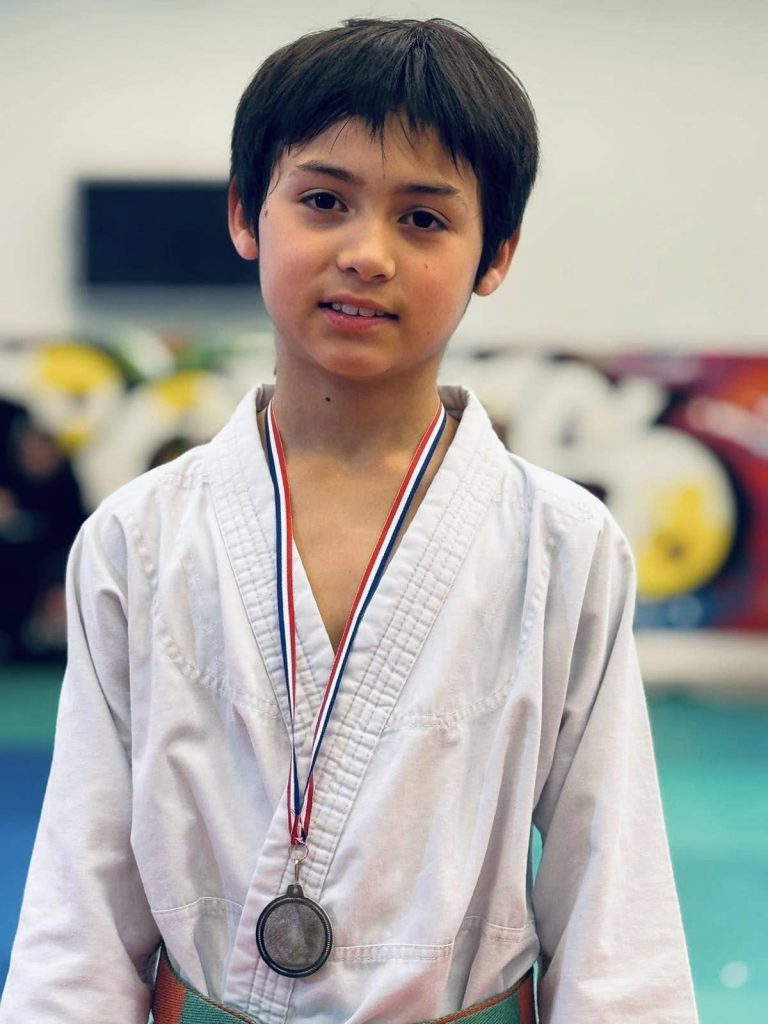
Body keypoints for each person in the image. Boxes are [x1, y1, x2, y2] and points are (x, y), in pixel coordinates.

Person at [0, 18, 698, 1024]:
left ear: (494, 253)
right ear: (247, 214)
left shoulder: (564, 546)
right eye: (324, 200)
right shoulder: (138, 537)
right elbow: (83, 892)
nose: (366, 253)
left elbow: (612, 892)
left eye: (424, 219)